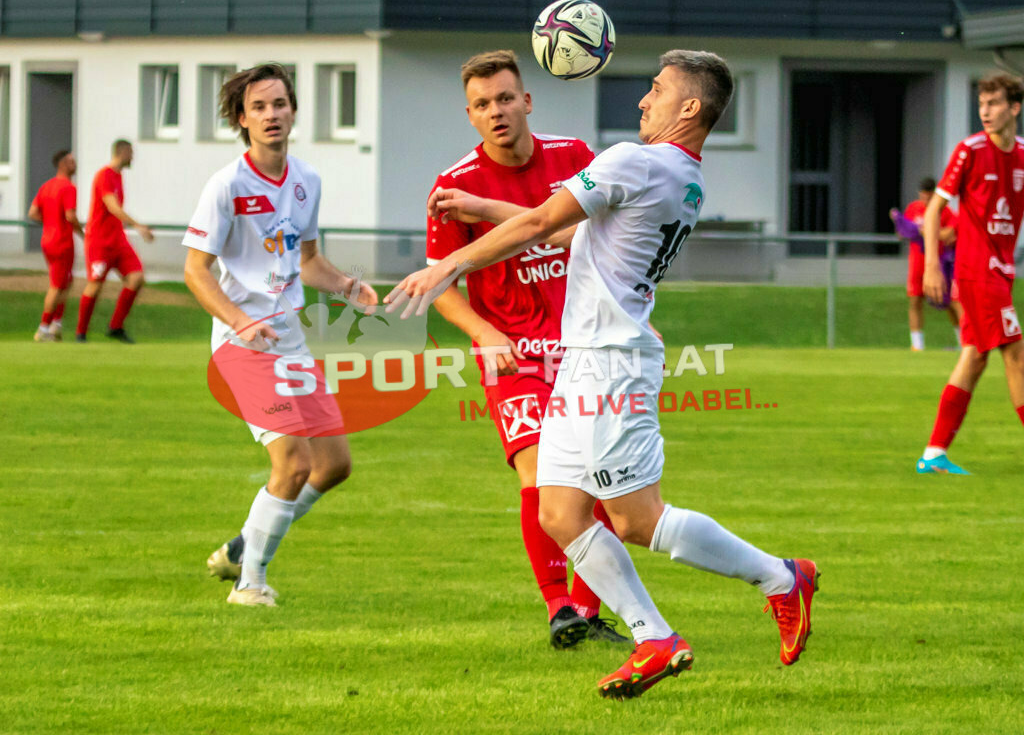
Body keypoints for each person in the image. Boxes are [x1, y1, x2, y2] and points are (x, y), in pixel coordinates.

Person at [386, 50, 819, 699]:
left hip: (609, 366)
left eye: (656, 89)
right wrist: (480, 205)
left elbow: (539, 221)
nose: (643, 101)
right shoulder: (681, 175)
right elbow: (562, 236)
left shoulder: (633, 159)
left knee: (638, 520)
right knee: (560, 512)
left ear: (690, 108)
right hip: (584, 363)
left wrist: (445, 267)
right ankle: (655, 639)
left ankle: (783, 578)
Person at [425, 50, 626, 648]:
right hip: (515, 353)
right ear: (470, 115)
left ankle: (590, 613)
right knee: (539, 470)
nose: (497, 111)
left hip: (588, 343)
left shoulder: (575, 159)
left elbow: (602, 239)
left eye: (506, 98)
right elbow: (440, 283)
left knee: (601, 478)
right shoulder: (452, 186)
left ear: (527, 101)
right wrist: (485, 334)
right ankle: (560, 606)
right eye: (483, 104)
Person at [183, 63, 376, 606]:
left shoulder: (306, 181)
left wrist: (345, 287)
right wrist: (240, 320)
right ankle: (251, 583)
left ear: (293, 111)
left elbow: (308, 260)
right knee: (291, 462)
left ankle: (246, 543)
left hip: (288, 338)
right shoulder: (225, 185)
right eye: (260, 107)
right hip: (243, 346)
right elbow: (195, 271)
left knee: (334, 464)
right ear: (242, 119)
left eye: (280, 104)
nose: (272, 114)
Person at [916, 72, 1024, 475]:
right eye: (982, 104)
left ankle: (934, 454)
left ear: (1014, 108)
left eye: (994, 103)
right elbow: (933, 210)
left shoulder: (1023, 156)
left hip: (1002, 270)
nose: (985, 111)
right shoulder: (970, 150)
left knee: (975, 357)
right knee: (1015, 353)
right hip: (978, 271)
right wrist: (931, 264)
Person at [75, 139, 154, 343]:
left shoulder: (119, 176)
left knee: (136, 278)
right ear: (123, 152)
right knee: (95, 285)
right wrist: (138, 225)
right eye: (131, 153)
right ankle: (81, 333)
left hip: (118, 240)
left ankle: (115, 327)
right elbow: (112, 207)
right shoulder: (104, 175)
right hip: (100, 241)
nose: (133, 157)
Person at [892, 177, 961, 350]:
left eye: (930, 197)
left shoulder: (945, 211)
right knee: (915, 301)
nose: (926, 201)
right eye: (923, 197)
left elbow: (950, 235)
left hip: (940, 266)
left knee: (951, 303)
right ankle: (917, 345)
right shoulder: (913, 208)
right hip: (917, 263)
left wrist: (927, 231)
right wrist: (901, 225)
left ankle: (964, 342)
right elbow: (902, 232)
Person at [27, 150, 83, 341]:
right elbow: (70, 215)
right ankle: (43, 329)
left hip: (47, 240)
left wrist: (50, 221)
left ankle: (55, 326)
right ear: (62, 164)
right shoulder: (68, 187)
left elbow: (33, 213)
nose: (74, 164)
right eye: (70, 161)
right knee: (57, 285)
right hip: (62, 241)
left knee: (65, 282)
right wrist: (83, 234)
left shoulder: (46, 186)